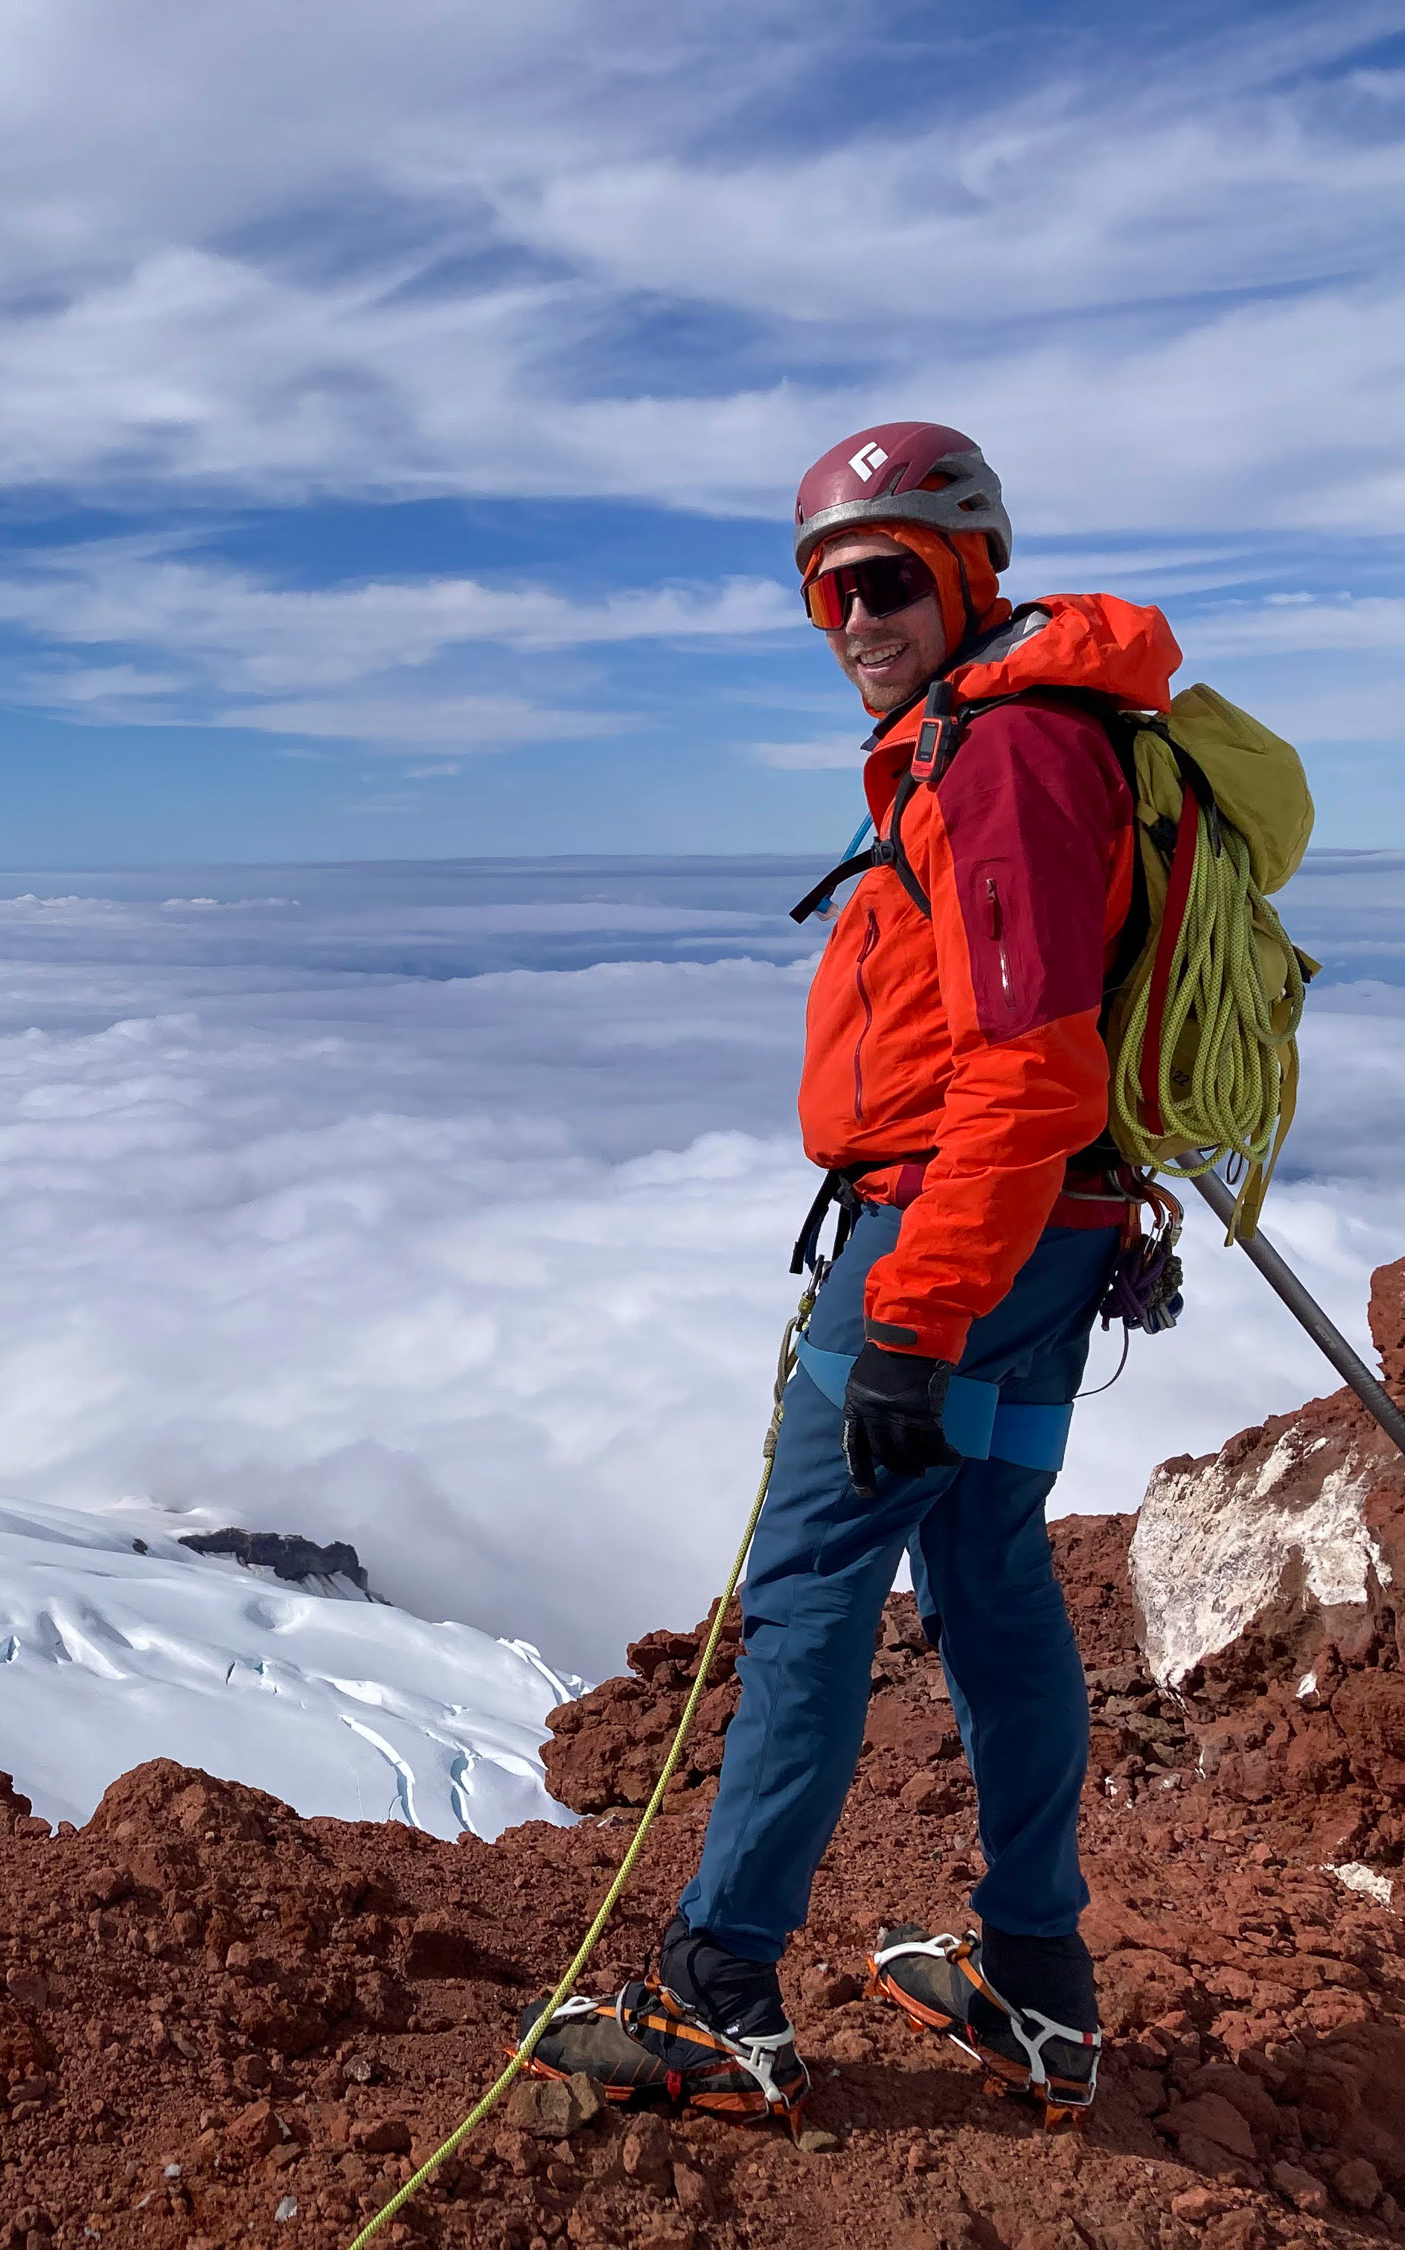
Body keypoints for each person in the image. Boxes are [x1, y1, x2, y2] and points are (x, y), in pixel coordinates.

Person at [529, 423, 1177, 2134]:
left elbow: (1028, 1067)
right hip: (1053, 1234)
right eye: (825, 593)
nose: (853, 618)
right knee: (985, 1561)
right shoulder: (1023, 735)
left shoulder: (1006, 758)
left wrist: (910, 1314)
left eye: (886, 578)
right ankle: (1039, 1984)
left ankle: (720, 1991)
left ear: (968, 569)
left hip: (961, 1231)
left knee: (815, 1589)